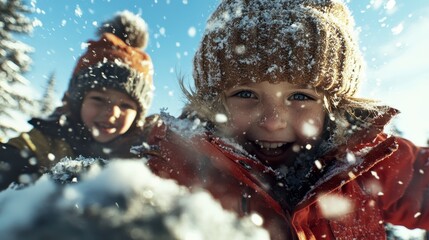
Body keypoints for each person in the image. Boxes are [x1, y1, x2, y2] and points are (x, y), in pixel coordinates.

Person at [142, 0, 429, 239]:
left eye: (301, 97)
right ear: (214, 103)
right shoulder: (179, 167)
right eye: (246, 93)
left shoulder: (370, 164)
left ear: (334, 106)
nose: (272, 121)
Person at [0, 10, 157, 190]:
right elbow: (19, 152)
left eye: (125, 105)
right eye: (99, 99)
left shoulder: (142, 151)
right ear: (77, 101)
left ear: (138, 114)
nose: (112, 113)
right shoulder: (53, 137)